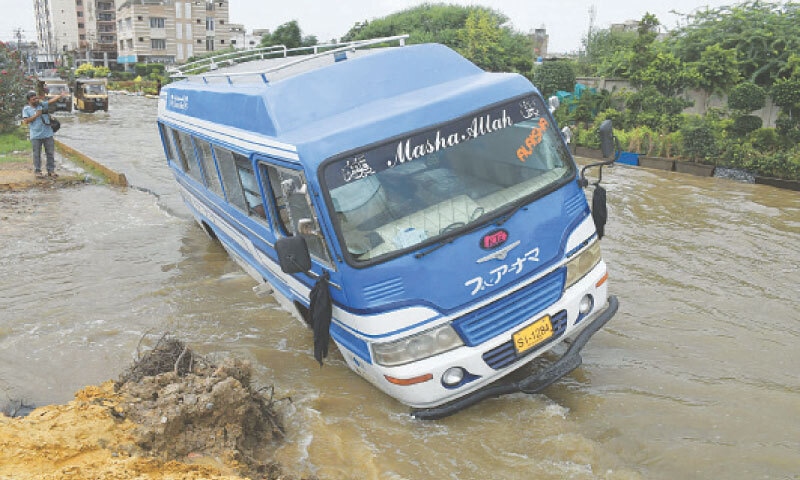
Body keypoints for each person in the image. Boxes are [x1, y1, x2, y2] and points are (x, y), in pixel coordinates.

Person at [21, 90, 66, 179]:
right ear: (29, 101)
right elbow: (26, 121)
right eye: (33, 99)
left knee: (50, 153)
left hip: (48, 134)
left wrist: (60, 95)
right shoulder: (26, 109)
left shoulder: (42, 105)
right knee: (37, 154)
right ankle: (38, 171)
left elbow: (51, 101)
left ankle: (51, 171)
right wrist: (36, 115)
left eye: (36, 98)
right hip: (35, 135)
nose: (36, 100)